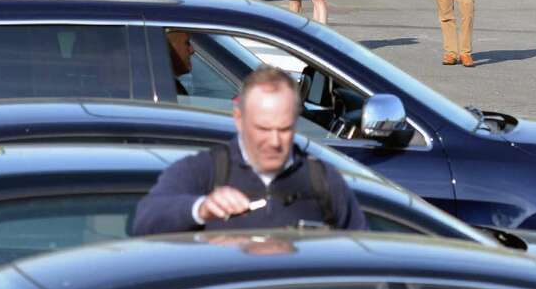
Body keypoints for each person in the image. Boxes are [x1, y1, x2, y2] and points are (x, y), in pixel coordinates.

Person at [132, 65, 367, 234]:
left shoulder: (323, 181)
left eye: (284, 129)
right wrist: (200, 208)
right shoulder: (206, 171)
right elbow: (145, 221)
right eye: (263, 128)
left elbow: (364, 258)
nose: (274, 141)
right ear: (239, 119)